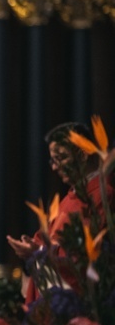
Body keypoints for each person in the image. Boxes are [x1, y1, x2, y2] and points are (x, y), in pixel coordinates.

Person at [7, 122, 114, 303]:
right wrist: (32, 245)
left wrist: (39, 251)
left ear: (82, 154)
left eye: (61, 158)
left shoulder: (102, 196)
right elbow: (47, 237)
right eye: (52, 160)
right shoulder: (69, 197)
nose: (54, 167)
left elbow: (87, 257)